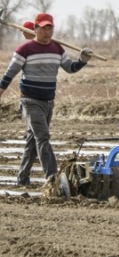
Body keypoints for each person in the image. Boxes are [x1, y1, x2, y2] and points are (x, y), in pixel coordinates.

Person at [0, 13, 93, 186]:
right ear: (35, 29)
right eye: (43, 28)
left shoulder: (57, 49)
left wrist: (82, 61)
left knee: (32, 141)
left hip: (48, 102)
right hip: (30, 100)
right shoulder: (24, 50)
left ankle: (22, 178)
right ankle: (53, 177)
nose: (47, 31)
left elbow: (70, 68)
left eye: (49, 27)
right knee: (43, 137)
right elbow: (9, 74)